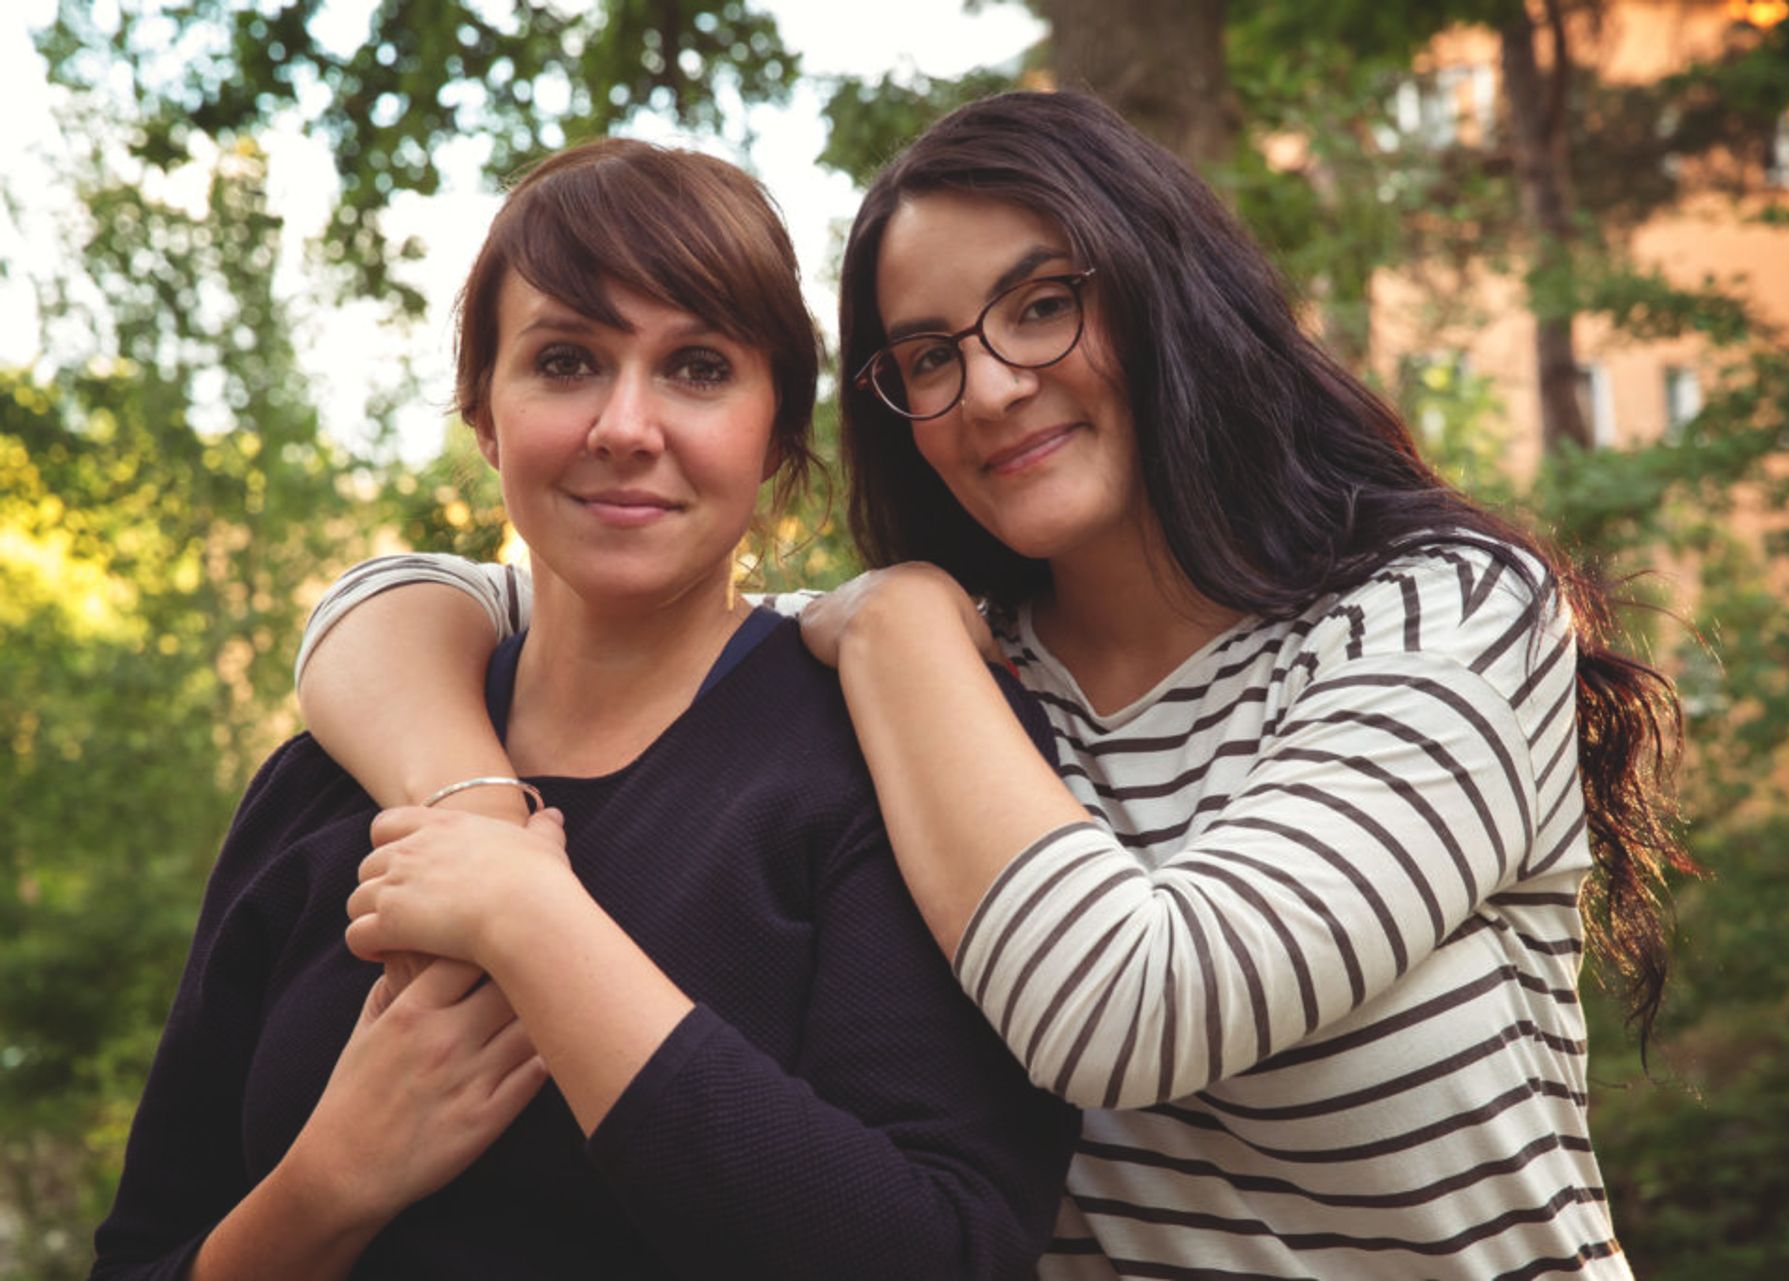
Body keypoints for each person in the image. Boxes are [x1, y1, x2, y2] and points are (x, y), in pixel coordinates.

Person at [289, 93, 1692, 1279]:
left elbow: (1132, 1011)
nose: (996, 387)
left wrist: (896, 620)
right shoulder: (975, 665)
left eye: (1043, 306)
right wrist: (473, 806)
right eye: (930, 358)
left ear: (1170, 296)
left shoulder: (1441, 615)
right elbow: (395, 608)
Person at [91, 136, 1077, 1281]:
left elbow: (948, 1250)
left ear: (777, 436)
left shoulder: (895, 749)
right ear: (485, 417)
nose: (624, 426)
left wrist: (533, 919)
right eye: (566, 361)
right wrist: (328, 1186)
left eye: (698, 368)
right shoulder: (322, 783)